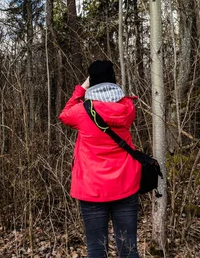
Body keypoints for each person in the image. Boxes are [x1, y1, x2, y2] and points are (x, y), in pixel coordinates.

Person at [59, 60, 141, 258]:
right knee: (128, 248)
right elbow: (123, 101)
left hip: (91, 188)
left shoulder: (80, 112)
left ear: (92, 81)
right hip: (125, 185)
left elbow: (64, 115)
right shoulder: (127, 108)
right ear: (112, 80)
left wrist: (81, 89)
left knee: (96, 249)